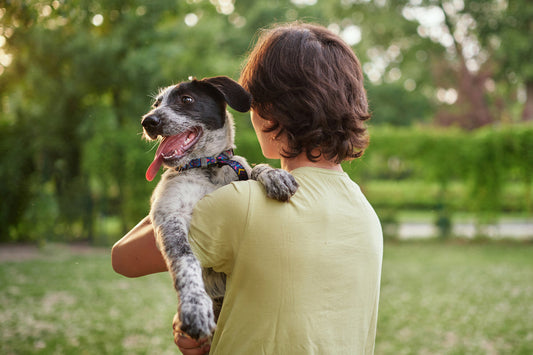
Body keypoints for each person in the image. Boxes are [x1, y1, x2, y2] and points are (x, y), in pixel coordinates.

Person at [112, 21, 383, 355]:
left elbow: (122, 258)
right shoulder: (367, 215)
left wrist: (186, 173)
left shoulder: (238, 206)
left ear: (267, 111)